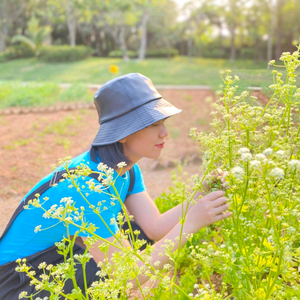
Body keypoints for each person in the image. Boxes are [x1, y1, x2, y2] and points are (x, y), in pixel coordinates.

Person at [0, 73, 232, 299]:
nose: (165, 133)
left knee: (135, 234)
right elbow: (127, 275)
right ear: (122, 134)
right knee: (116, 270)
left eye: (163, 122)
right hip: (18, 282)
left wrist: (200, 194)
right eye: (154, 124)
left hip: (53, 262)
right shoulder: (88, 188)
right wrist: (191, 223)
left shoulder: (126, 170)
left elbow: (154, 228)